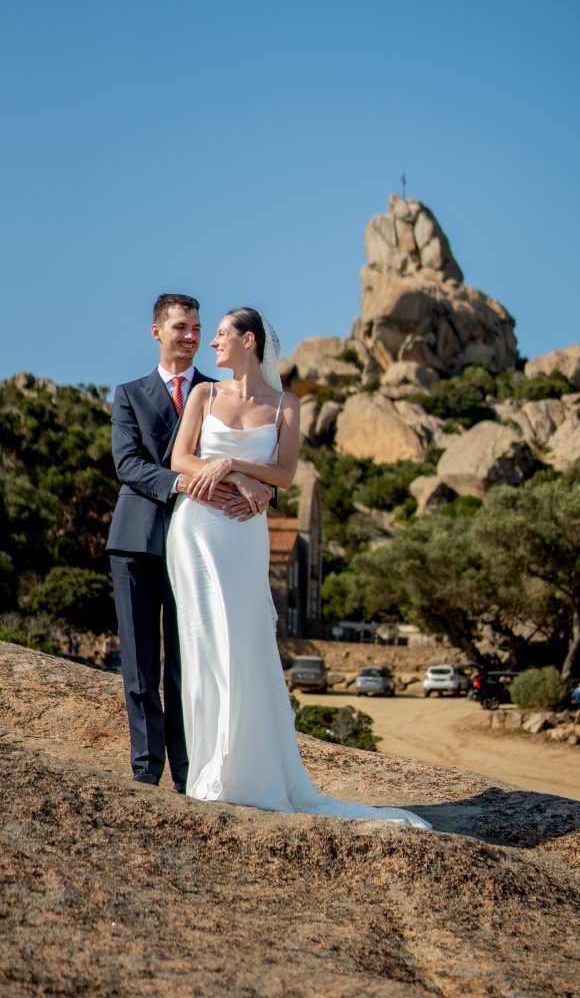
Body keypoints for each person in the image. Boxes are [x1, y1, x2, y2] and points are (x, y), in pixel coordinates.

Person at [167, 307, 430, 828]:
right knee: (205, 646)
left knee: (244, 644)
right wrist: (240, 480)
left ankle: (247, 772)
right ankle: (208, 773)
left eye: (221, 334)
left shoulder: (287, 404)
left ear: (249, 341)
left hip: (245, 533)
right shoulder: (204, 394)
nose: (212, 342)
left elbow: (285, 475)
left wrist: (234, 464)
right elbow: (180, 459)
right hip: (197, 528)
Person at [107, 294, 272, 792]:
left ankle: (188, 770)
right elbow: (128, 464)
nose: (192, 336)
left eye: (198, 328)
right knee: (140, 662)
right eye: (181, 327)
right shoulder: (129, 394)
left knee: (189, 661)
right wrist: (181, 482)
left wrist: (262, 488)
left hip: (202, 542)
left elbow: (252, 451)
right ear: (157, 331)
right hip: (137, 538)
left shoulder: (217, 390)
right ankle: (145, 767)